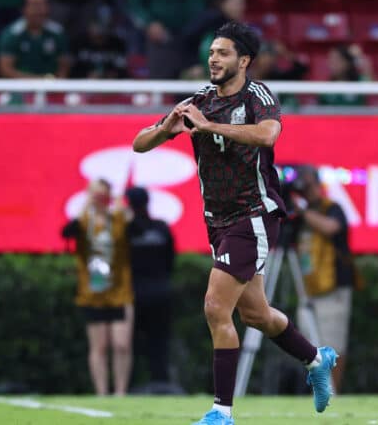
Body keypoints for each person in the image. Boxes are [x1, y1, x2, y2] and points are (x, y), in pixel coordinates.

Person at [132, 21, 337, 425]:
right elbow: (139, 144)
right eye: (211, 52)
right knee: (257, 315)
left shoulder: (257, 95)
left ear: (243, 60)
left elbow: (267, 135)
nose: (213, 59)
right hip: (217, 221)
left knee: (214, 306)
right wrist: (166, 129)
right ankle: (316, 358)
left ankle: (221, 413)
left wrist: (209, 127)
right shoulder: (199, 99)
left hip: (254, 214)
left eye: (222, 53)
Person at [62, 179, 135, 396]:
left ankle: (121, 392)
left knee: (121, 344)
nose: (100, 200)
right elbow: (66, 232)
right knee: (99, 346)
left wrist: (120, 205)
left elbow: (136, 228)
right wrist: (86, 205)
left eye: (103, 195)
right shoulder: (84, 221)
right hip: (92, 292)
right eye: (96, 195)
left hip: (119, 291)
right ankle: (102, 393)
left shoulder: (119, 219)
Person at [290, 165, 359, 394]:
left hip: (333, 289)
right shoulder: (299, 214)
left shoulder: (333, 208)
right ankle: (318, 391)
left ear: (318, 184)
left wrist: (302, 211)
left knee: (333, 345)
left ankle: (333, 393)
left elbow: (331, 228)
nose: (304, 189)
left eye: (307, 184)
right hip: (308, 289)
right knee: (308, 346)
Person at [126, 0, 229, 78]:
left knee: (197, 90)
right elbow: (134, 6)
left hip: (196, 38)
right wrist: (148, 24)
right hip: (163, 39)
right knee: (162, 87)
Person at [124, 186, 176, 388]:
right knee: (159, 341)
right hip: (161, 291)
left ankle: (132, 384)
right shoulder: (161, 228)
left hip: (134, 293)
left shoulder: (127, 230)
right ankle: (160, 381)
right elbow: (170, 260)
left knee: (132, 341)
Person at [0, 0, 71, 79]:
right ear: (23, 9)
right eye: (35, 5)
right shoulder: (12, 34)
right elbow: (5, 70)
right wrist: (38, 81)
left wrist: (55, 83)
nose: (40, 10)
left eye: (44, 4)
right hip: (20, 88)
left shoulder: (57, 32)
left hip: (52, 88)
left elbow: (64, 67)